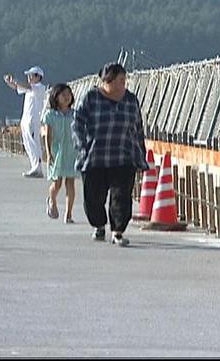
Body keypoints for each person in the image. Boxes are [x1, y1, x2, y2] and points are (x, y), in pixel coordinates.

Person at [72, 62, 148, 247]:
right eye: (120, 80)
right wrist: (82, 145)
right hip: (95, 157)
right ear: (108, 81)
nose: (124, 84)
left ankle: (118, 231)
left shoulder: (130, 100)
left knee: (121, 196)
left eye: (124, 80)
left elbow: (138, 128)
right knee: (94, 198)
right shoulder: (91, 98)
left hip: (123, 157)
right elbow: (77, 123)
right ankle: (99, 225)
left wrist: (140, 153)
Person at [42, 83, 80, 224]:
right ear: (55, 97)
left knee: (70, 182)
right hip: (57, 151)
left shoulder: (75, 114)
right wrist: (48, 152)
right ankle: (52, 200)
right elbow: (48, 135)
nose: (66, 97)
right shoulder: (50, 115)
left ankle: (68, 214)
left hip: (72, 151)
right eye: (63, 94)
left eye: (68, 94)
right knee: (57, 183)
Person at [3, 65, 47, 177]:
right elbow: (16, 87)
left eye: (31, 75)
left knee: (34, 143)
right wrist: (9, 81)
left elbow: (24, 85)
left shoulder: (39, 87)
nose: (29, 77)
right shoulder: (29, 89)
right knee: (27, 144)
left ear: (38, 77)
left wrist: (15, 80)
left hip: (33, 120)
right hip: (26, 119)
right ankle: (34, 167)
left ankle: (38, 168)